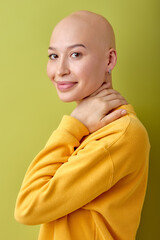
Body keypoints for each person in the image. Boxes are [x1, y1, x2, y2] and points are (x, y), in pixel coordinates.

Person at [14, 10, 150, 240]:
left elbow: (28, 206)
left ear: (109, 60)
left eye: (76, 54)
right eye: (53, 56)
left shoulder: (119, 135)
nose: (60, 70)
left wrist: (73, 124)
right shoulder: (90, 129)